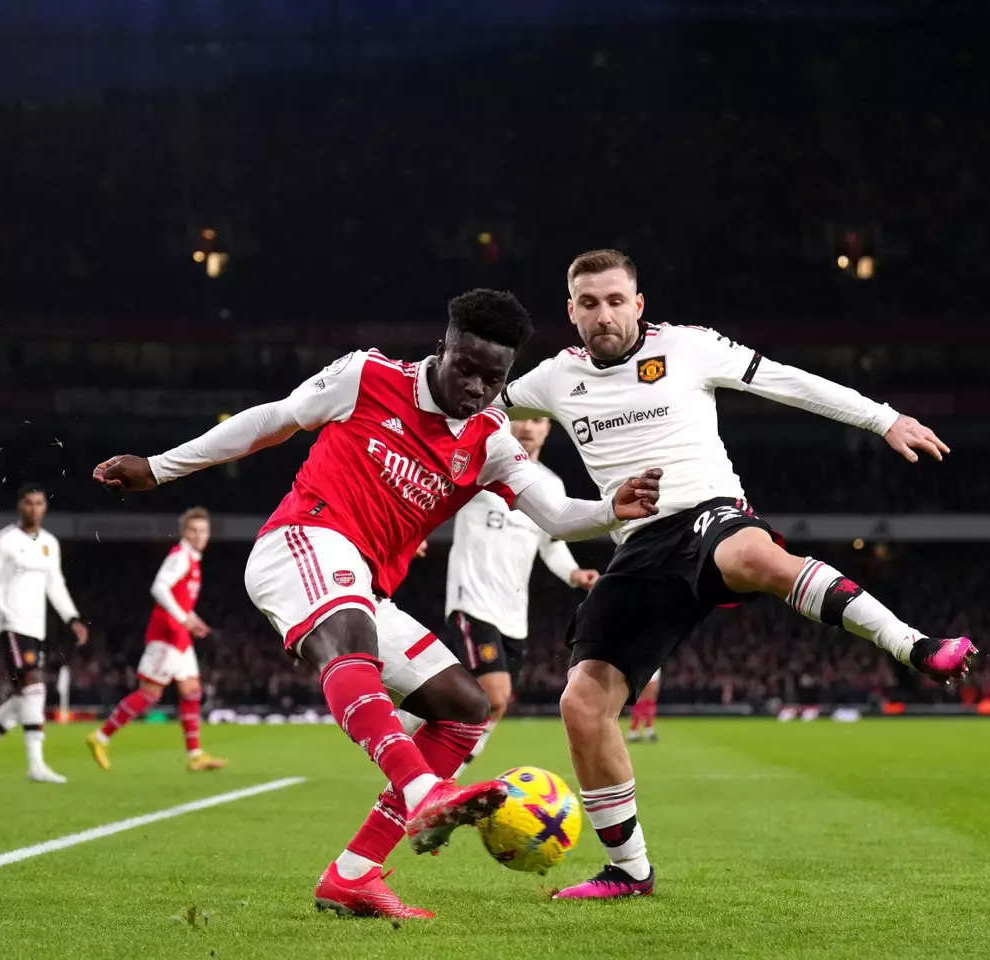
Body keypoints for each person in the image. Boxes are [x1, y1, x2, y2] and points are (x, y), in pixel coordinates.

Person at [93, 288, 661, 919]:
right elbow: (273, 419)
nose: (475, 387)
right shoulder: (368, 375)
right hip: (301, 540)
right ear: (441, 347)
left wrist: (612, 507)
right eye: (465, 368)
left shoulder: (490, 441)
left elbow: (553, 514)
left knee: (465, 708)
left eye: (492, 379)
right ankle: (423, 790)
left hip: (362, 586)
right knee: (353, 635)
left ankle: (354, 874)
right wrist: (161, 467)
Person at [497, 250, 978, 899]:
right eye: (589, 303)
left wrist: (882, 417)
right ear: (571, 312)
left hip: (707, 513)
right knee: (582, 705)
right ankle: (629, 871)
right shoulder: (552, 379)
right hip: (636, 545)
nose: (603, 314)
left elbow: (785, 380)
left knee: (752, 558)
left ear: (639, 305)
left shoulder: (690, 348)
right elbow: (465, 404)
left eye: (616, 300)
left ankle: (913, 645)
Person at [438, 415, 599, 766]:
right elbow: (437, 496)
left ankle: (433, 759)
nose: (528, 426)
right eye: (521, 418)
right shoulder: (480, 467)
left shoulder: (551, 486)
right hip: (472, 599)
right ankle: (437, 777)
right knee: (495, 695)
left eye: (537, 419)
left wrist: (574, 574)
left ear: (548, 428)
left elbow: (551, 543)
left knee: (490, 703)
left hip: (513, 615)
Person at [0, 483, 89, 783]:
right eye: (28, 502)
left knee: (23, 699)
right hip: (12, 623)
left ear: (45, 507)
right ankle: (36, 765)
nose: (34, 508)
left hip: (37, 627)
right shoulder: (3, 541)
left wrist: (73, 618)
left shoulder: (50, 544)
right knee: (35, 686)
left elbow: (55, 585)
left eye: (39, 503)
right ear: (20, 505)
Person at [86, 507, 227, 772]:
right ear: (185, 532)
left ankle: (195, 754)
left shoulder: (192, 560)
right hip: (167, 634)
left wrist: (192, 619)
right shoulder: (181, 557)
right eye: (194, 530)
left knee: (191, 691)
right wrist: (182, 618)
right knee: (150, 693)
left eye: (203, 531)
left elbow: (179, 597)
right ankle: (100, 737)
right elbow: (159, 587)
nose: (199, 536)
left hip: (180, 633)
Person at [626, 669, 660, 743]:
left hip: (653, 665)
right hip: (645, 666)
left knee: (650, 700)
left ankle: (648, 729)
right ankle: (633, 731)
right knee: (643, 699)